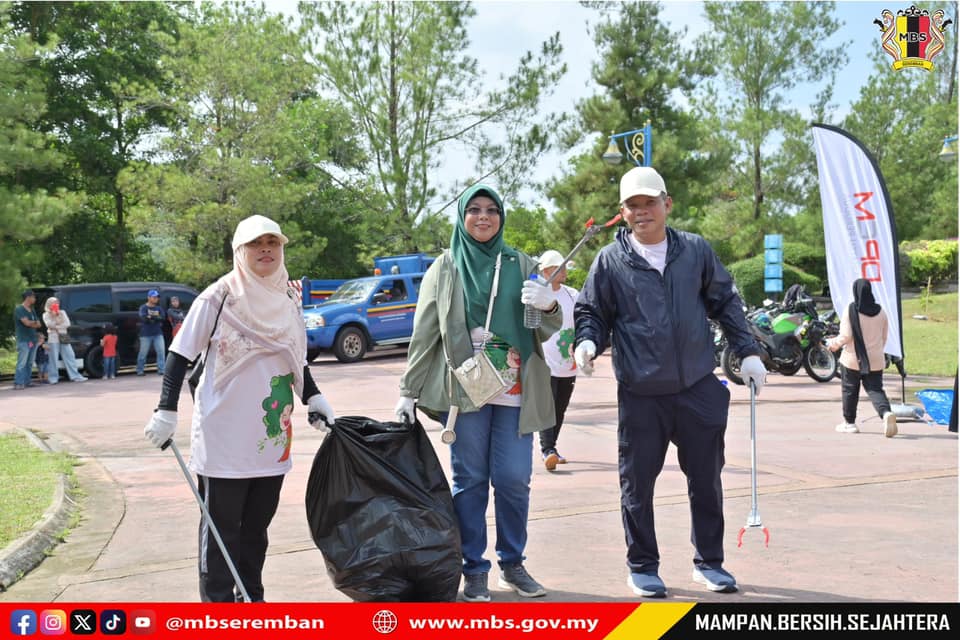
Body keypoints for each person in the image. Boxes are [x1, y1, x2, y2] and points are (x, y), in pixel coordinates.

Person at [574, 166, 767, 598]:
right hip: (641, 393)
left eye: (650, 202)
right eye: (633, 205)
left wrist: (748, 351)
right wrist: (586, 341)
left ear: (667, 204)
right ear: (623, 211)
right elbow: (592, 312)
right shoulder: (610, 260)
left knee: (707, 480)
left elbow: (725, 301)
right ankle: (643, 566)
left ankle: (709, 562)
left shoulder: (695, 251)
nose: (642, 211)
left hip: (697, 386)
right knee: (637, 484)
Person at [143, 214, 337, 603]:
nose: (265, 249)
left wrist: (313, 397)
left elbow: (295, 358)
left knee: (256, 530)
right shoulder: (218, 297)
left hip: (271, 438)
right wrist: (166, 409)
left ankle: (251, 599)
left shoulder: (288, 299)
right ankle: (217, 607)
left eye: (272, 242)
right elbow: (180, 355)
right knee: (220, 531)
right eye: (255, 243)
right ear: (239, 250)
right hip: (224, 439)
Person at [394, 184, 561, 603]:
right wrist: (408, 391)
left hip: (515, 390)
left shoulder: (521, 263)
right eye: (474, 209)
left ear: (501, 217)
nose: (483, 217)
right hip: (466, 390)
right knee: (469, 481)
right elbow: (424, 332)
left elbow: (547, 328)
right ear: (462, 217)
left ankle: (513, 563)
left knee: (514, 479)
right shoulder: (445, 267)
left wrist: (548, 305)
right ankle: (473, 568)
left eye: (491, 210)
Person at [826, 278, 897, 437]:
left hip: (853, 359)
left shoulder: (851, 309)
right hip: (876, 360)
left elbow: (846, 336)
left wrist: (833, 344)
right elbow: (884, 337)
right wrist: (876, 351)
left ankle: (850, 423)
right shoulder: (881, 312)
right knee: (875, 389)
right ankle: (886, 413)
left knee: (850, 390)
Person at [535, 249, 579, 471]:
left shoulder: (572, 294)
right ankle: (547, 450)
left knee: (560, 408)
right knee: (547, 407)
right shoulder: (537, 294)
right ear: (546, 271)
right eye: (558, 267)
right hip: (544, 361)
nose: (564, 271)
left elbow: (583, 320)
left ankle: (552, 448)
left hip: (568, 363)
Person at [42, 296, 88, 384]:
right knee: (53, 358)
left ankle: (75, 376)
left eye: (57, 302)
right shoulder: (46, 314)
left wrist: (56, 326)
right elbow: (49, 325)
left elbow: (67, 324)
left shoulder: (62, 312)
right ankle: (53, 378)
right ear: (49, 304)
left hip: (63, 336)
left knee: (70, 355)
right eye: (54, 302)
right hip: (53, 338)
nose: (57, 304)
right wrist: (54, 317)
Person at [13, 290, 42, 390]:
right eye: (34, 297)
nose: (35, 299)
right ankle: (18, 383)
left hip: (33, 339)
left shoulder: (32, 310)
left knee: (29, 362)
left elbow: (39, 324)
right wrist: (33, 323)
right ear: (28, 297)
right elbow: (26, 323)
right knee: (22, 362)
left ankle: (27, 381)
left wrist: (31, 322)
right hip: (23, 340)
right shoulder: (19, 309)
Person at [137, 289, 166, 376]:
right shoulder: (143, 307)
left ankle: (161, 370)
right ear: (149, 297)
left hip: (158, 333)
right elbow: (144, 318)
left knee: (161, 352)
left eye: (157, 297)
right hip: (145, 334)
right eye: (154, 297)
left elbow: (162, 318)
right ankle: (140, 370)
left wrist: (151, 317)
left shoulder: (159, 308)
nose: (156, 299)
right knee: (143, 353)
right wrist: (155, 317)